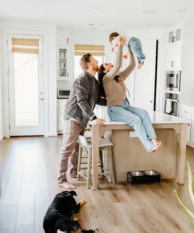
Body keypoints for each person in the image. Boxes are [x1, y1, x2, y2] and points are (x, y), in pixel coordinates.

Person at [98, 36, 162, 153]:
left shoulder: (118, 78)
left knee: (143, 113)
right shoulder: (106, 79)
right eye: (106, 64)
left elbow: (132, 65)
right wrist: (121, 46)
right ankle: (149, 147)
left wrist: (131, 50)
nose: (109, 63)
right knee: (136, 120)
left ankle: (153, 140)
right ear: (104, 71)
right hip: (114, 109)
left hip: (125, 105)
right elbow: (117, 65)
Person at [58, 53, 105, 189]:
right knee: (67, 148)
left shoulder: (94, 82)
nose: (97, 62)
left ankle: (73, 173)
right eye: (95, 60)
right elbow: (81, 101)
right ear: (88, 64)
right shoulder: (81, 79)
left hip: (82, 120)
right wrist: (94, 118)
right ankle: (61, 179)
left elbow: (98, 100)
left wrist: (115, 102)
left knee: (76, 148)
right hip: (73, 117)